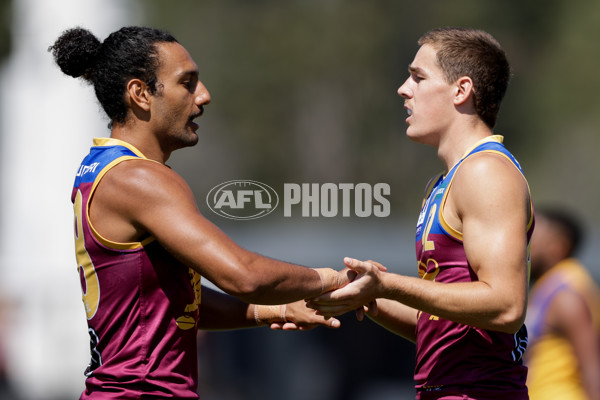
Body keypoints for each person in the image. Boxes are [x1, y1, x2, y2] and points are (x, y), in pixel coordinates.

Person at [49, 26, 352, 399]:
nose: (203, 96)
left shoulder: (102, 169)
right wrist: (331, 279)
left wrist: (275, 310)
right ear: (140, 94)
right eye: (187, 83)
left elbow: (172, 304)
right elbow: (244, 275)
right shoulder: (142, 179)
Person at [307, 27, 534, 399]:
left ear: (461, 90)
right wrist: (369, 297)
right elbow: (442, 325)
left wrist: (390, 283)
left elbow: (507, 307)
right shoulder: (444, 182)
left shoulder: (485, 172)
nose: (403, 89)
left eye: (418, 77)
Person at [525, 208, 600, 400]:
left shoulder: (566, 294)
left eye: (532, 234)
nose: (522, 242)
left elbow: (592, 369)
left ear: (557, 246)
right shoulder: (547, 288)